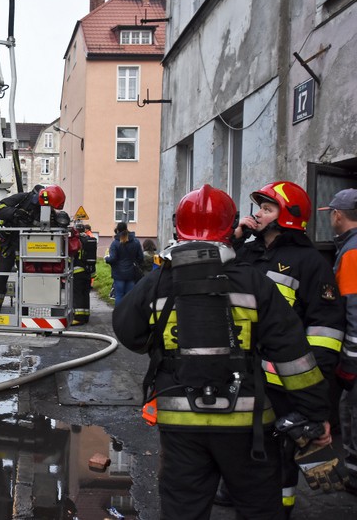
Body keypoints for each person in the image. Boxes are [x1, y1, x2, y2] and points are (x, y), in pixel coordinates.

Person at [112, 184, 332, 519]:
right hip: (247, 424)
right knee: (259, 509)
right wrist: (315, 412)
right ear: (230, 228)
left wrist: (162, 344)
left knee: (183, 510)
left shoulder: (159, 281)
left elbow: (127, 330)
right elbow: (292, 355)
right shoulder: (254, 281)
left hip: (180, 422)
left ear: (178, 227)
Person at [230, 181, 347, 514]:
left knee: (281, 456)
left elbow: (325, 332)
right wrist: (234, 239)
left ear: (289, 217)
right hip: (243, 378)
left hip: (284, 385)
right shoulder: (247, 253)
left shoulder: (310, 262)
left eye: (267, 209)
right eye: (259, 208)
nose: (258, 214)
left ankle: (280, 509)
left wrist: (313, 391)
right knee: (241, 448)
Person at [319, 188, 357, 494]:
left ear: (337, 215)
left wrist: (348, 365)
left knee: (351, 412)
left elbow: (355, 312)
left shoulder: (352, 252)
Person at [0, 185, 66, 313]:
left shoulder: (49, 212)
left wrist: (62, 222)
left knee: (28, 281)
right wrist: (14, 213)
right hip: (9, 246)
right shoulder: (23, 198)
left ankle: (25, 314)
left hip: (31, 250)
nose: (51, 209)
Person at [104, 221, 143, 306]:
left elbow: (113, 258)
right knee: (129, 296)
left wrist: (106, 259)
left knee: (119, 295)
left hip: (118, 274)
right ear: (126, 228)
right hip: (131, 273)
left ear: (117, 230)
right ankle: (128, 313)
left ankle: (119, 313)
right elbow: (140, 257)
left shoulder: (115, 243)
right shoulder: (135, 241)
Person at [71, 222, 97, 326]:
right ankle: (85, 316)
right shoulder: (89, 239)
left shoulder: (76, 240)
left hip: (78, 271)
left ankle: (79, 318)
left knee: (78, 294)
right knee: (85, 294)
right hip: (88, 271)